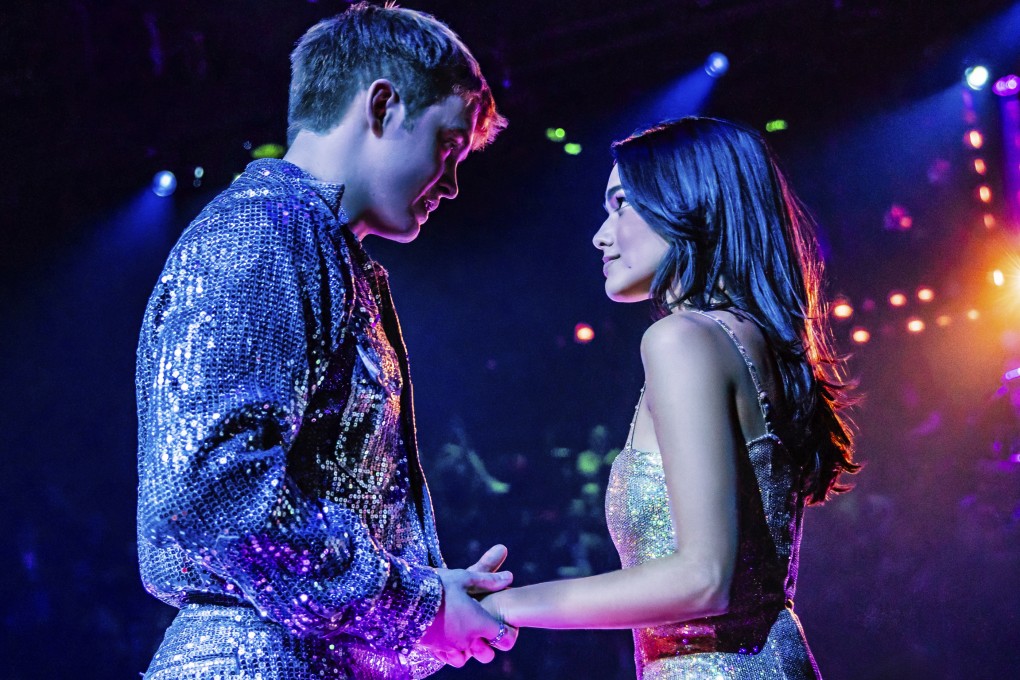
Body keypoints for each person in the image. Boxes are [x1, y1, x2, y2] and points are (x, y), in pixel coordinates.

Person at [135, 4, 515, 678]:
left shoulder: (320, 251)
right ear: (383, 106)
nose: (453, 185)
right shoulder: (260, 233)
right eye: (448, 146)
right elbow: (214, 498)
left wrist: (430, 596)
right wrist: (419, 604)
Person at [481, 117, 859, 678]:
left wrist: (500, 607)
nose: (600, 234)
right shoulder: (756, 342)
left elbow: (703, 578)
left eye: (620, 204)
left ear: (689, 203)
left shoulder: (681, 340)